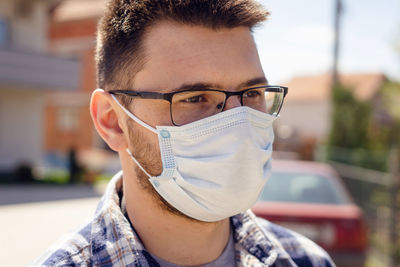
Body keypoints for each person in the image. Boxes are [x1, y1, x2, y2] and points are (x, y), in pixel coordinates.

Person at [32, 0, 335, 266]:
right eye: (194, 98)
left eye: (252, 93)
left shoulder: (306, 260)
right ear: (112, 121)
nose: (237, 123)